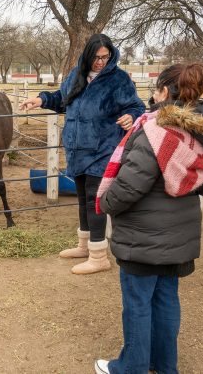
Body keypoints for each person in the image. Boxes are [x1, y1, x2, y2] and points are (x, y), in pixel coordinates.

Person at [95, 64, 203, 374]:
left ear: (164, 92)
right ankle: (164, 365)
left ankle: (131, 368)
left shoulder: (155, 130)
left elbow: (130, 185)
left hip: (143, 237)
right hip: (179, 236)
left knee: (138, 304)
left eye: (156, 90)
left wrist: (106, 202)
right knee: (166, 301)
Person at [20, 33, 145, 275]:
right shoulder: (76, 75)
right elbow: (61, 99)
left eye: (105, 57)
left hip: (103, 147)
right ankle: (85, 246)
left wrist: (131, 115)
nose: (101, 62)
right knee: (82, 197)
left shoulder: (118, 80)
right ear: (88, 56)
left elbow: (136, 105)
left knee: (94, 199)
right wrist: (40, 99)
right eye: (97, 57)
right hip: (77, 149)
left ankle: (99, 256)